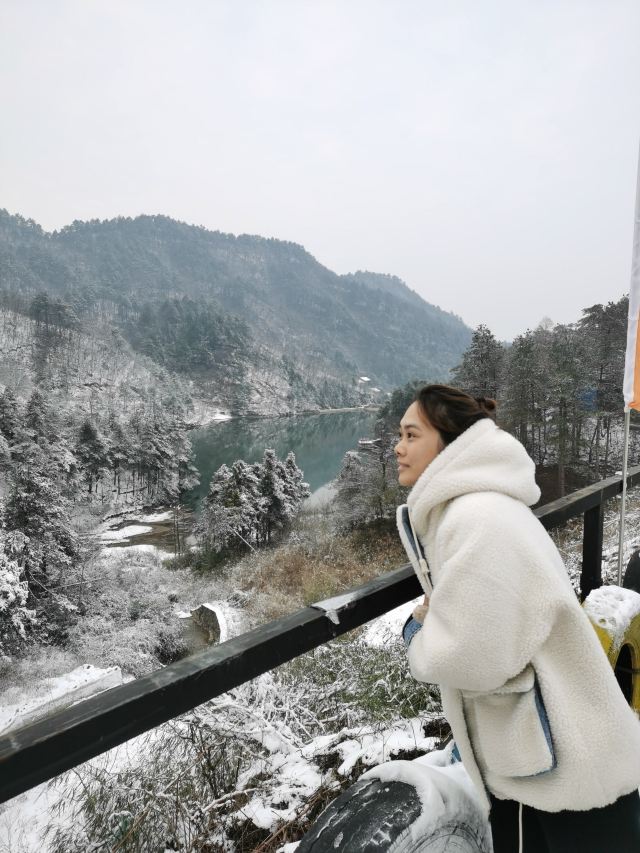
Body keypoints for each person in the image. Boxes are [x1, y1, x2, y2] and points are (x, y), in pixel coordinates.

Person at [394, 384, 640, 853]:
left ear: (450, 443)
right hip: (559, 752)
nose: (398, 448)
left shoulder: (476, 518)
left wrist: (418, 634)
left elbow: (475, 656)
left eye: (411, 435)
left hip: (554, 770)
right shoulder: (483, 507)